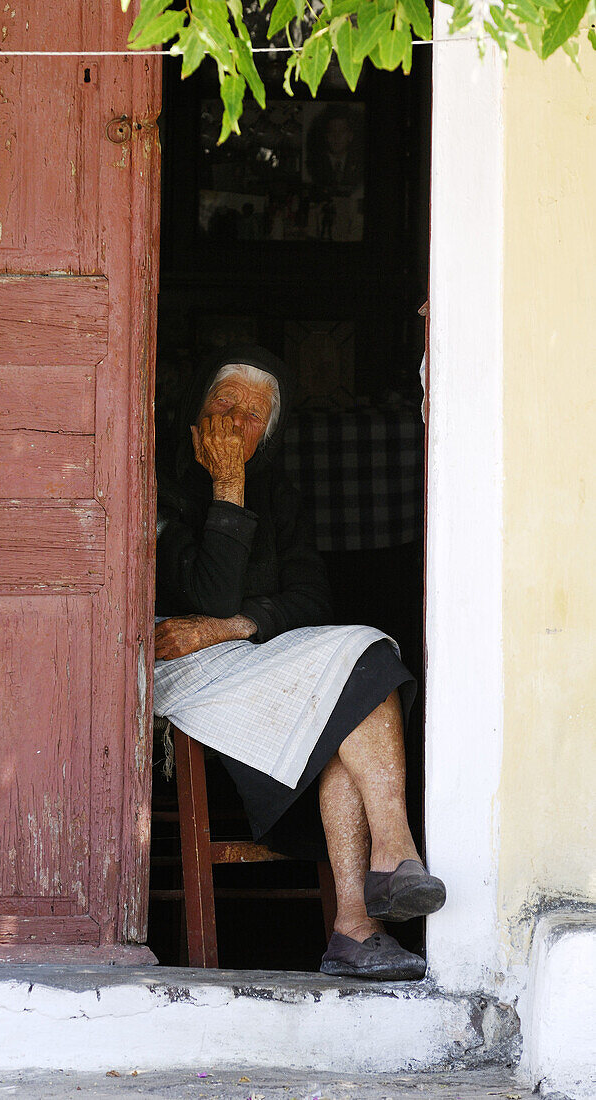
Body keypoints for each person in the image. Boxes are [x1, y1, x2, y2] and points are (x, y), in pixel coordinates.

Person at [154, 346, 446, 980]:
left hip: (260, 655)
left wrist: (236, 624)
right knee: (358, 667)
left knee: (362, 659)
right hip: (183, 670)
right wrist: (226, 493)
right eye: (222, 405)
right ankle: (382, 880)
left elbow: (312, 598)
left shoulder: (279, 497)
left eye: (251, 415)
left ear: (271, 433)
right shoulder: (159, 484)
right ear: (195, 412)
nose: (234, 424)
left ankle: (364, 910)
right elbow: (204, 595)